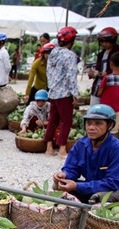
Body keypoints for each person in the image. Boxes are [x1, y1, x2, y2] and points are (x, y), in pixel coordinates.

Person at [53, 104, 119, 204]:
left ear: (110, 125)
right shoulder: (81, 144)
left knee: (95, 199)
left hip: (116, 191)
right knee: (58, 186)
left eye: (98, 123)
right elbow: (71, 168)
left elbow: (112, 183)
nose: (91, 127)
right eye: (89, 123)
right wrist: (64, 175)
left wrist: (77, 186)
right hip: (90, 186)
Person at [44, 27, 79, 157]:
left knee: (52, 119)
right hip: (64, 93)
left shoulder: (53, 53)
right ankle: (62, 149)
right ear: (72, 41)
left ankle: (49, 147)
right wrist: (75, 94)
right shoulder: (70, 55)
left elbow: (49, 73)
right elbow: (71, 76)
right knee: (66, 121)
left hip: (53, 92)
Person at [89, 27, 119, 105]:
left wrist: (108, 74)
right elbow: (97, 69)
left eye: (106, 42)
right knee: (94, 109)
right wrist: (93, 73)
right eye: (102, 42)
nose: (104, 44)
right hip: (98, 85)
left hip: (112, 86)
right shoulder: (101, 53)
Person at [96, 52, 119, 133]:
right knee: (113, 131)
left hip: (104, 108)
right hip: (116, 107)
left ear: (111, 63)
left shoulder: (107, 77)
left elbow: (99, 93)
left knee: (101, 130)